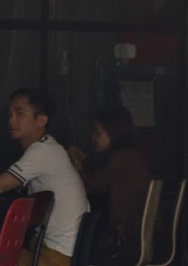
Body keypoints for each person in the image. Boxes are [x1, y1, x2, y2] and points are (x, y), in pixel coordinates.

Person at [0, 88, 89, 266]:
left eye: (20, 114)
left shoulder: (43, 151)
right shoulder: (46, 148)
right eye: (10, 114)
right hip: (50, 250)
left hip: (55, 257)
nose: (11, 120)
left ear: (41, 120)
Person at [68, 105, 151, 266]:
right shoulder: (134, 156)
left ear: (115, 133)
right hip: (133, 238)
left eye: (98, 132)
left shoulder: (123, 158)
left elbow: (92, 187)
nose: (93, 137)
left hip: (119, 242)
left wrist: (76, 163)